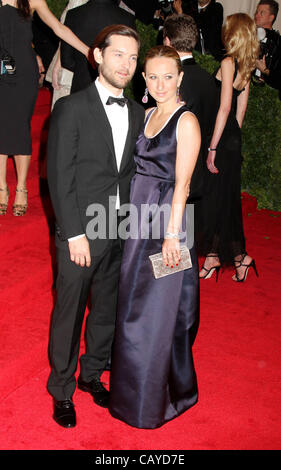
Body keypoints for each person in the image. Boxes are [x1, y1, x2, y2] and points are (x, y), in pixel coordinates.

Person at [47, 24, 144, 428]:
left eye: (133, 57)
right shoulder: (71, 108)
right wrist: (74, 233)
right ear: (98, 56)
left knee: (107, 311)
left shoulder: (140, 113)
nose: (126, 63)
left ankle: (92, 374)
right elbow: (59, 175)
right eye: (118, 54)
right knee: (69, 316)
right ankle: (62, 388)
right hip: (81, 233)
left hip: (120, 229)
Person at [109, 45, 201, 429]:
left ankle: (152, 402)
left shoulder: (186, 122)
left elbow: (182, 186)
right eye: (152, 76)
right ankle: (128, 394)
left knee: (157, 316)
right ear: (143, 80)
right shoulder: (147, 114)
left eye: (168, 76)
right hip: (138, 222)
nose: (160, 84)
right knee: (132, 308)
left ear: (180, 78)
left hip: (167, 226)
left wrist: (171, 238)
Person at [0, 0, 89, 217]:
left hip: (23, 74)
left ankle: (21, 186)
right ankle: (1, 186)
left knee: (20, 127)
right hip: (1, 71)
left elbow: (58, 28)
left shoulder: (32, 1)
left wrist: (88, 51)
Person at [195, 13, 260, 282]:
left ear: (232, 33)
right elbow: (240, 113)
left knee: (215, 199)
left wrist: (212, 148)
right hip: (233, 138)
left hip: (220, 138)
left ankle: (225, 256)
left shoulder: (228, 62)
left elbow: (224, 108)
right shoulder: (246, 64)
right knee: (226, 200)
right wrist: (232, 144)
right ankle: (234, 257)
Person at [163, 13, 217, 201]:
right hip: (197, 172)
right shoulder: (208, 79)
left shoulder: (168, 79)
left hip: (169, 173)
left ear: (168, 41)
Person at [60, 0, 136, 94]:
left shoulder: (73, 14)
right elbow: (131, 55)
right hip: (112, 88)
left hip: (80, 87)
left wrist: (83, 70)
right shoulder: (127, 18)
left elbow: (66, 61)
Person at [46, 0, 89, 109]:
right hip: (80, 67)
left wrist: (58, 65)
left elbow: (67, 30)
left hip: (70, 66)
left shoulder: (78, 2)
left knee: (63, 114)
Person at [254, 0, 281, 93]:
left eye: (262, 13)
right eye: (257, 12)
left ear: (271, 18)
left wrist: (265, 70)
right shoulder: (249, 36)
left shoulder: (278, 43)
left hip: (267, 96)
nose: (257, 15)